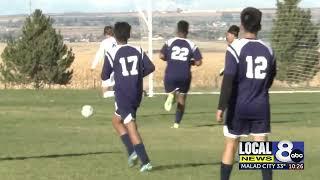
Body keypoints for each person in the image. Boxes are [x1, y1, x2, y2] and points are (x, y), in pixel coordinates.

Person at [216, 7, 276, 180]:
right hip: (261, 105)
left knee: (231, 146)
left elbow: (228, 80)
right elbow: (270, 79)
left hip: (238, 106)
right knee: (261, 150)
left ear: (242, 25)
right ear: (259, 26)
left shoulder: (235, 48)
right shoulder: (269, 49)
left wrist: (221, 107)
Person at [101, 22, 155, 172]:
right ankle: (132, 151)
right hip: (136, 93)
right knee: (116, 120)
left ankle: (145, 161)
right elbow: (150, 67)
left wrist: (111, 81)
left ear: (114, 36)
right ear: (129, 35)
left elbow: (104, 74)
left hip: (123, 94)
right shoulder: (138, 49)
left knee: (130, 126)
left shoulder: (112, 53)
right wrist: (136, 76)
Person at [160, 20, 203, 129]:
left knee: (168, 94)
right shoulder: (192, 44)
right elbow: (198, 62)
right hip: (184, 75)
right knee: (182, 99)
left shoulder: (169, 42)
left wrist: (169, 58)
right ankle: (176, 124)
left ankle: (170, 95)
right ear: (187, 31)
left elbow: (161, 55)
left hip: (171, 74)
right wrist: (190, 62)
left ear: (176, 30)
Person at [91, 26, 117, 98]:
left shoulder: (105, 42)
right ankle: (112, 97)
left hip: (109, 64)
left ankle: (104, 96)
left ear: (105, 33)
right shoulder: (118, 41)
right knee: (113, 82)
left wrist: (93, 65)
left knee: (105, 82)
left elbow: (100, 54)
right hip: (118, 65)